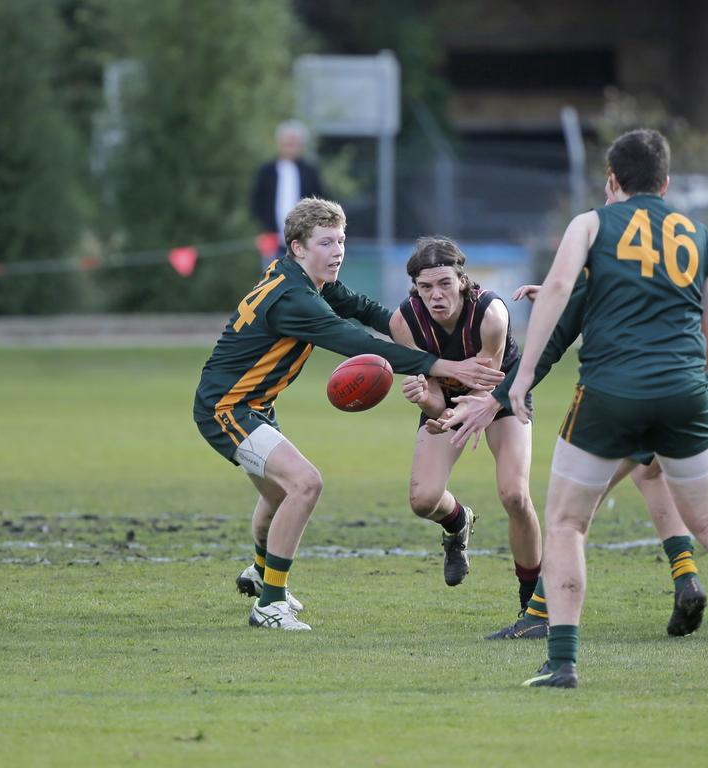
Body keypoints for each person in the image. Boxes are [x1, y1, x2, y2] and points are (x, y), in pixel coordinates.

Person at [450, 128, 708, 687]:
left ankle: (562, 661)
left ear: (611, 179)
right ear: (666, 182)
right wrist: (673, 383)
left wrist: (520, 379)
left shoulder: (592, 222)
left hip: (610, 392)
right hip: (686, 393)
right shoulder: (699, 234)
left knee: (566, 522)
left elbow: (556, 292)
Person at [193, 198, 504, 631]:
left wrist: (414, 330)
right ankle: (270, 605)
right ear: (298, 248)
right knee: (305, 484)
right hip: (227, 408)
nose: (337, 251)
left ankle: (263, 576)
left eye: (340, 240)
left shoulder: (304, 280)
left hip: (253, 405)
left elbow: (365, 309)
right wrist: (443, 365)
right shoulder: (295, 300)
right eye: (325, 242)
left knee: (279, 494)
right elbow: (359, 342)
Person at [454, 277, 708, 640]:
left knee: (571, 508)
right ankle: (686, 578)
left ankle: (540, 614)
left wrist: (498, 398)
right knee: (650, 474)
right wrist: (572, 298)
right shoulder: (679, 243)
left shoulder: (607, 239)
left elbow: (557, 343)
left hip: (652, 393)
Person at [386, 237, 543, 624]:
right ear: (415, 287)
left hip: (500, 394)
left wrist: (467, 411)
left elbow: (485, 384)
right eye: (425, 287)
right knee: (423, 500)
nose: (436, 296)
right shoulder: (403, 322)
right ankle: (457, 522)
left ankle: (534, 606)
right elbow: (438, 400)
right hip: (452, 398)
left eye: (444, 284)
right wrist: (425, 399)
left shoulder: (490, 314)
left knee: (514, 494)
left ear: (462, 279)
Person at [251, 120, 326, 269]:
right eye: (287, 142)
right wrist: (265, 227)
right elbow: (256, 202)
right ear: (279, 143)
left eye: (294, 143)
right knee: (273, 283)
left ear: (302, 145)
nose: (290, 146)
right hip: (272, 241)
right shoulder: (266, 172)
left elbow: (321, 204)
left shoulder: (310, 172)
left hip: (304, 242)